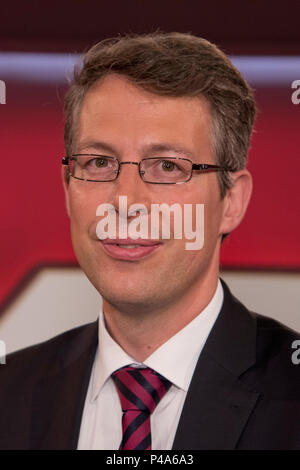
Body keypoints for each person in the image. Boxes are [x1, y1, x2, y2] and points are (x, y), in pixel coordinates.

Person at [0, 32, 299, 450]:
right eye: (99, 162)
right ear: (67, 189)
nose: (125, 201)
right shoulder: (8, 392)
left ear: (231, 201)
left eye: (166, 166)